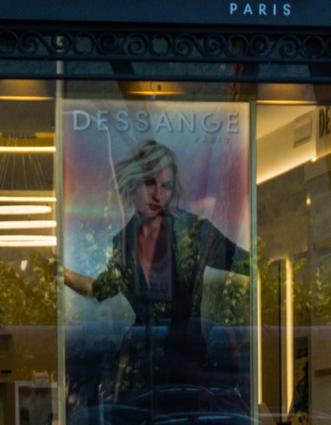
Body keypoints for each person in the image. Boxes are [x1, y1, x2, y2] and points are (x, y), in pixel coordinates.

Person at [61, 139, 250, 398]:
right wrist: (60, 272)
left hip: (188, 360)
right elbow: (100, 288)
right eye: (149, 182)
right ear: (133, 183)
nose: (157, 194)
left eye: (166, 186)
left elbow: (246, 264)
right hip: (139, 366)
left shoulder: (193, 230)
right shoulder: (123, 242)